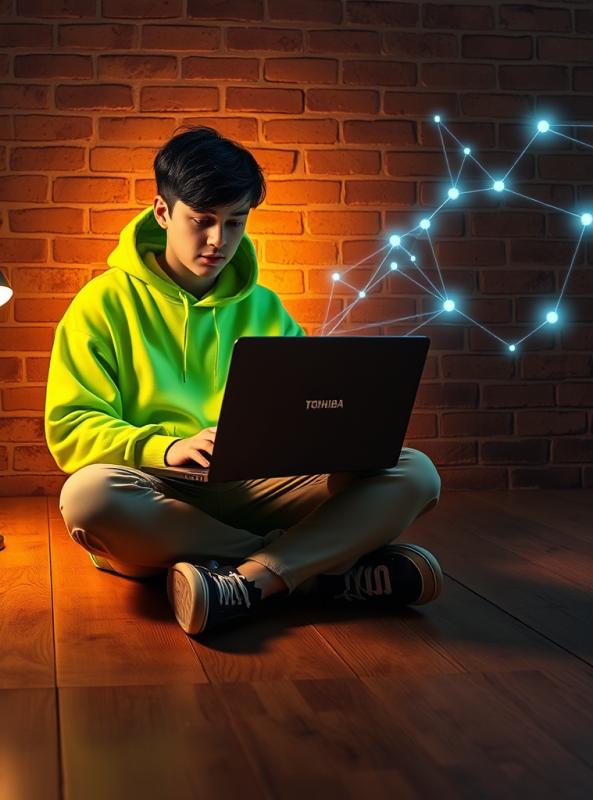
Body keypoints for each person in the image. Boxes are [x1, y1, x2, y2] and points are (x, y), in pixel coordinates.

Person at [45, 126, 443, 636]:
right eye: (202, 221)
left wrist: (337, 438)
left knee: (415, 471)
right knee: (88, 497)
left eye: (235, 222)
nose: (219, 240)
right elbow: (71, 426)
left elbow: (309, 407)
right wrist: (166, 448)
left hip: (258, 488)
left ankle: (246, 581)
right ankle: (314, 571)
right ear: (163, 212)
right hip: (161, 491)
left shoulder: (266, 308)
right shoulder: (100, 304)